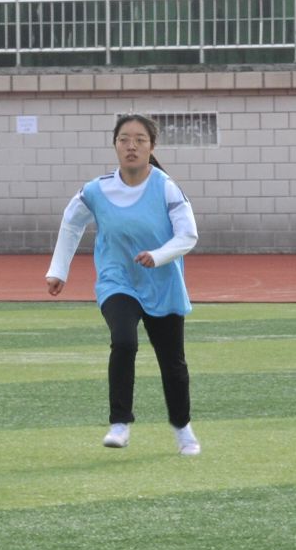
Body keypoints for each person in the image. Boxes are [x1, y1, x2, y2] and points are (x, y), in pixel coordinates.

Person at [45, 113, 201, 455]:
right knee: (124, 342)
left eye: (140, 140)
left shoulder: (166, 187)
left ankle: (183, 428)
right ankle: (120, 422)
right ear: (115, 145)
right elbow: (72, 223)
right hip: (117, 281)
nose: (131, 146)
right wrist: (58, 270)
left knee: (172, 362)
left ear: (151, 146)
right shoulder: (97, 190)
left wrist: (158, 256)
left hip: (162, 284)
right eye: (124, 140)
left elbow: (188, 235)